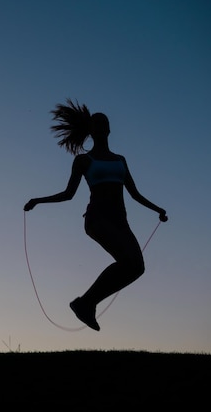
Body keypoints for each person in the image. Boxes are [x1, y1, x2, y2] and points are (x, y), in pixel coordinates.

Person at [23, 99, 167, 331]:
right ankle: (85, 303)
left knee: (137, 267)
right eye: (96, 124)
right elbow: (68, 194)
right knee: (127, 262)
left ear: (109, 129)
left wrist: (157, 209)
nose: (100, 127)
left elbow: (134, 194)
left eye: (104, 124)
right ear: (90, 130)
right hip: (97, 219)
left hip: (121, 220)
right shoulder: (83, 160)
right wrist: (38, 201)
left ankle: (86, 303)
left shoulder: (120, 160)